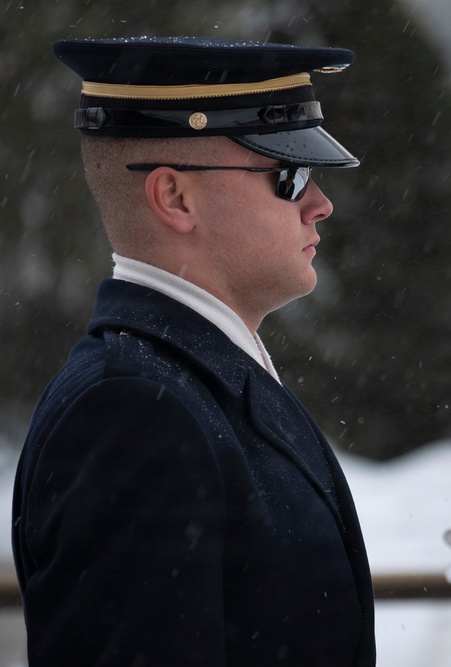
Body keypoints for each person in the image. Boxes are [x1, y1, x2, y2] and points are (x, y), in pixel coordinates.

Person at [12, 37, 376, 666]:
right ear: (176, 198)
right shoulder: (133, 411)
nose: (321, 204)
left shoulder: (188, 383)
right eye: (289, 175)